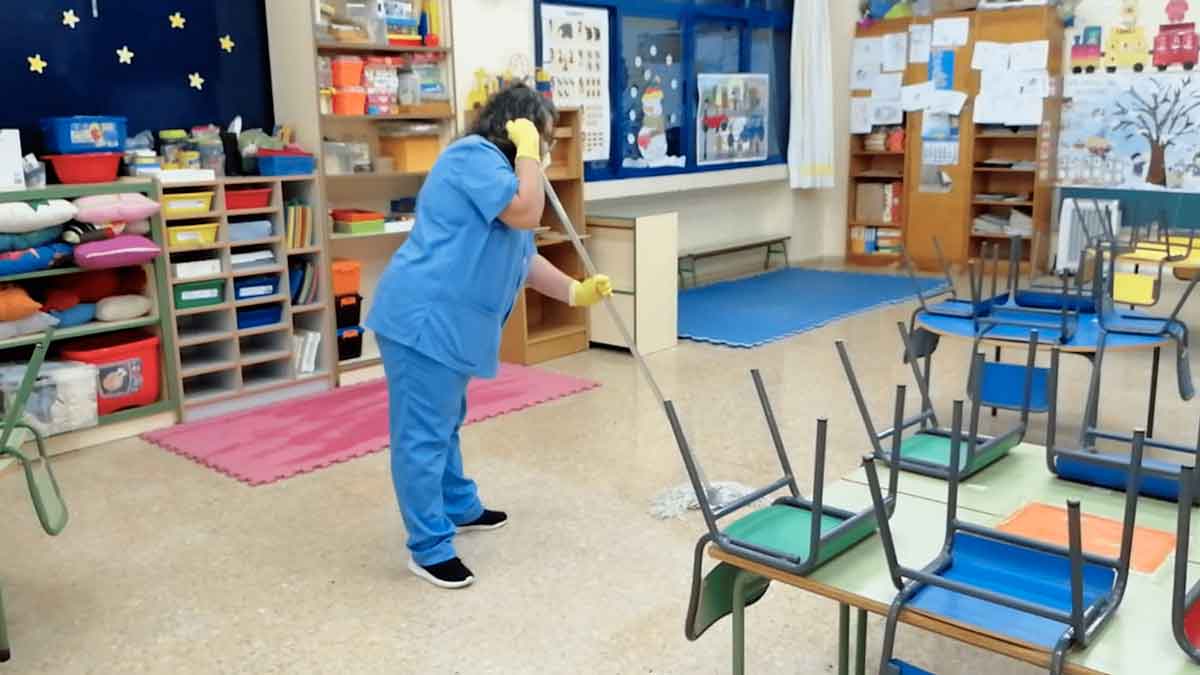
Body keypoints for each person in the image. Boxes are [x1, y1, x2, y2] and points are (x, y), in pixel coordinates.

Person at [365, 85, 612, 589]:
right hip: (422, 319)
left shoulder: (504, 178)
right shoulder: (471, 158)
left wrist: (575, 292)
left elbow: (523, 255)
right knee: (422, 434)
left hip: (449, 327)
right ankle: (428, 547)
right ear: (518, 128)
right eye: (541, 137)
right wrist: (527, 157)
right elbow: (527, 213)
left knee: (444, 421)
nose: (543, 149)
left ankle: (458, 505)